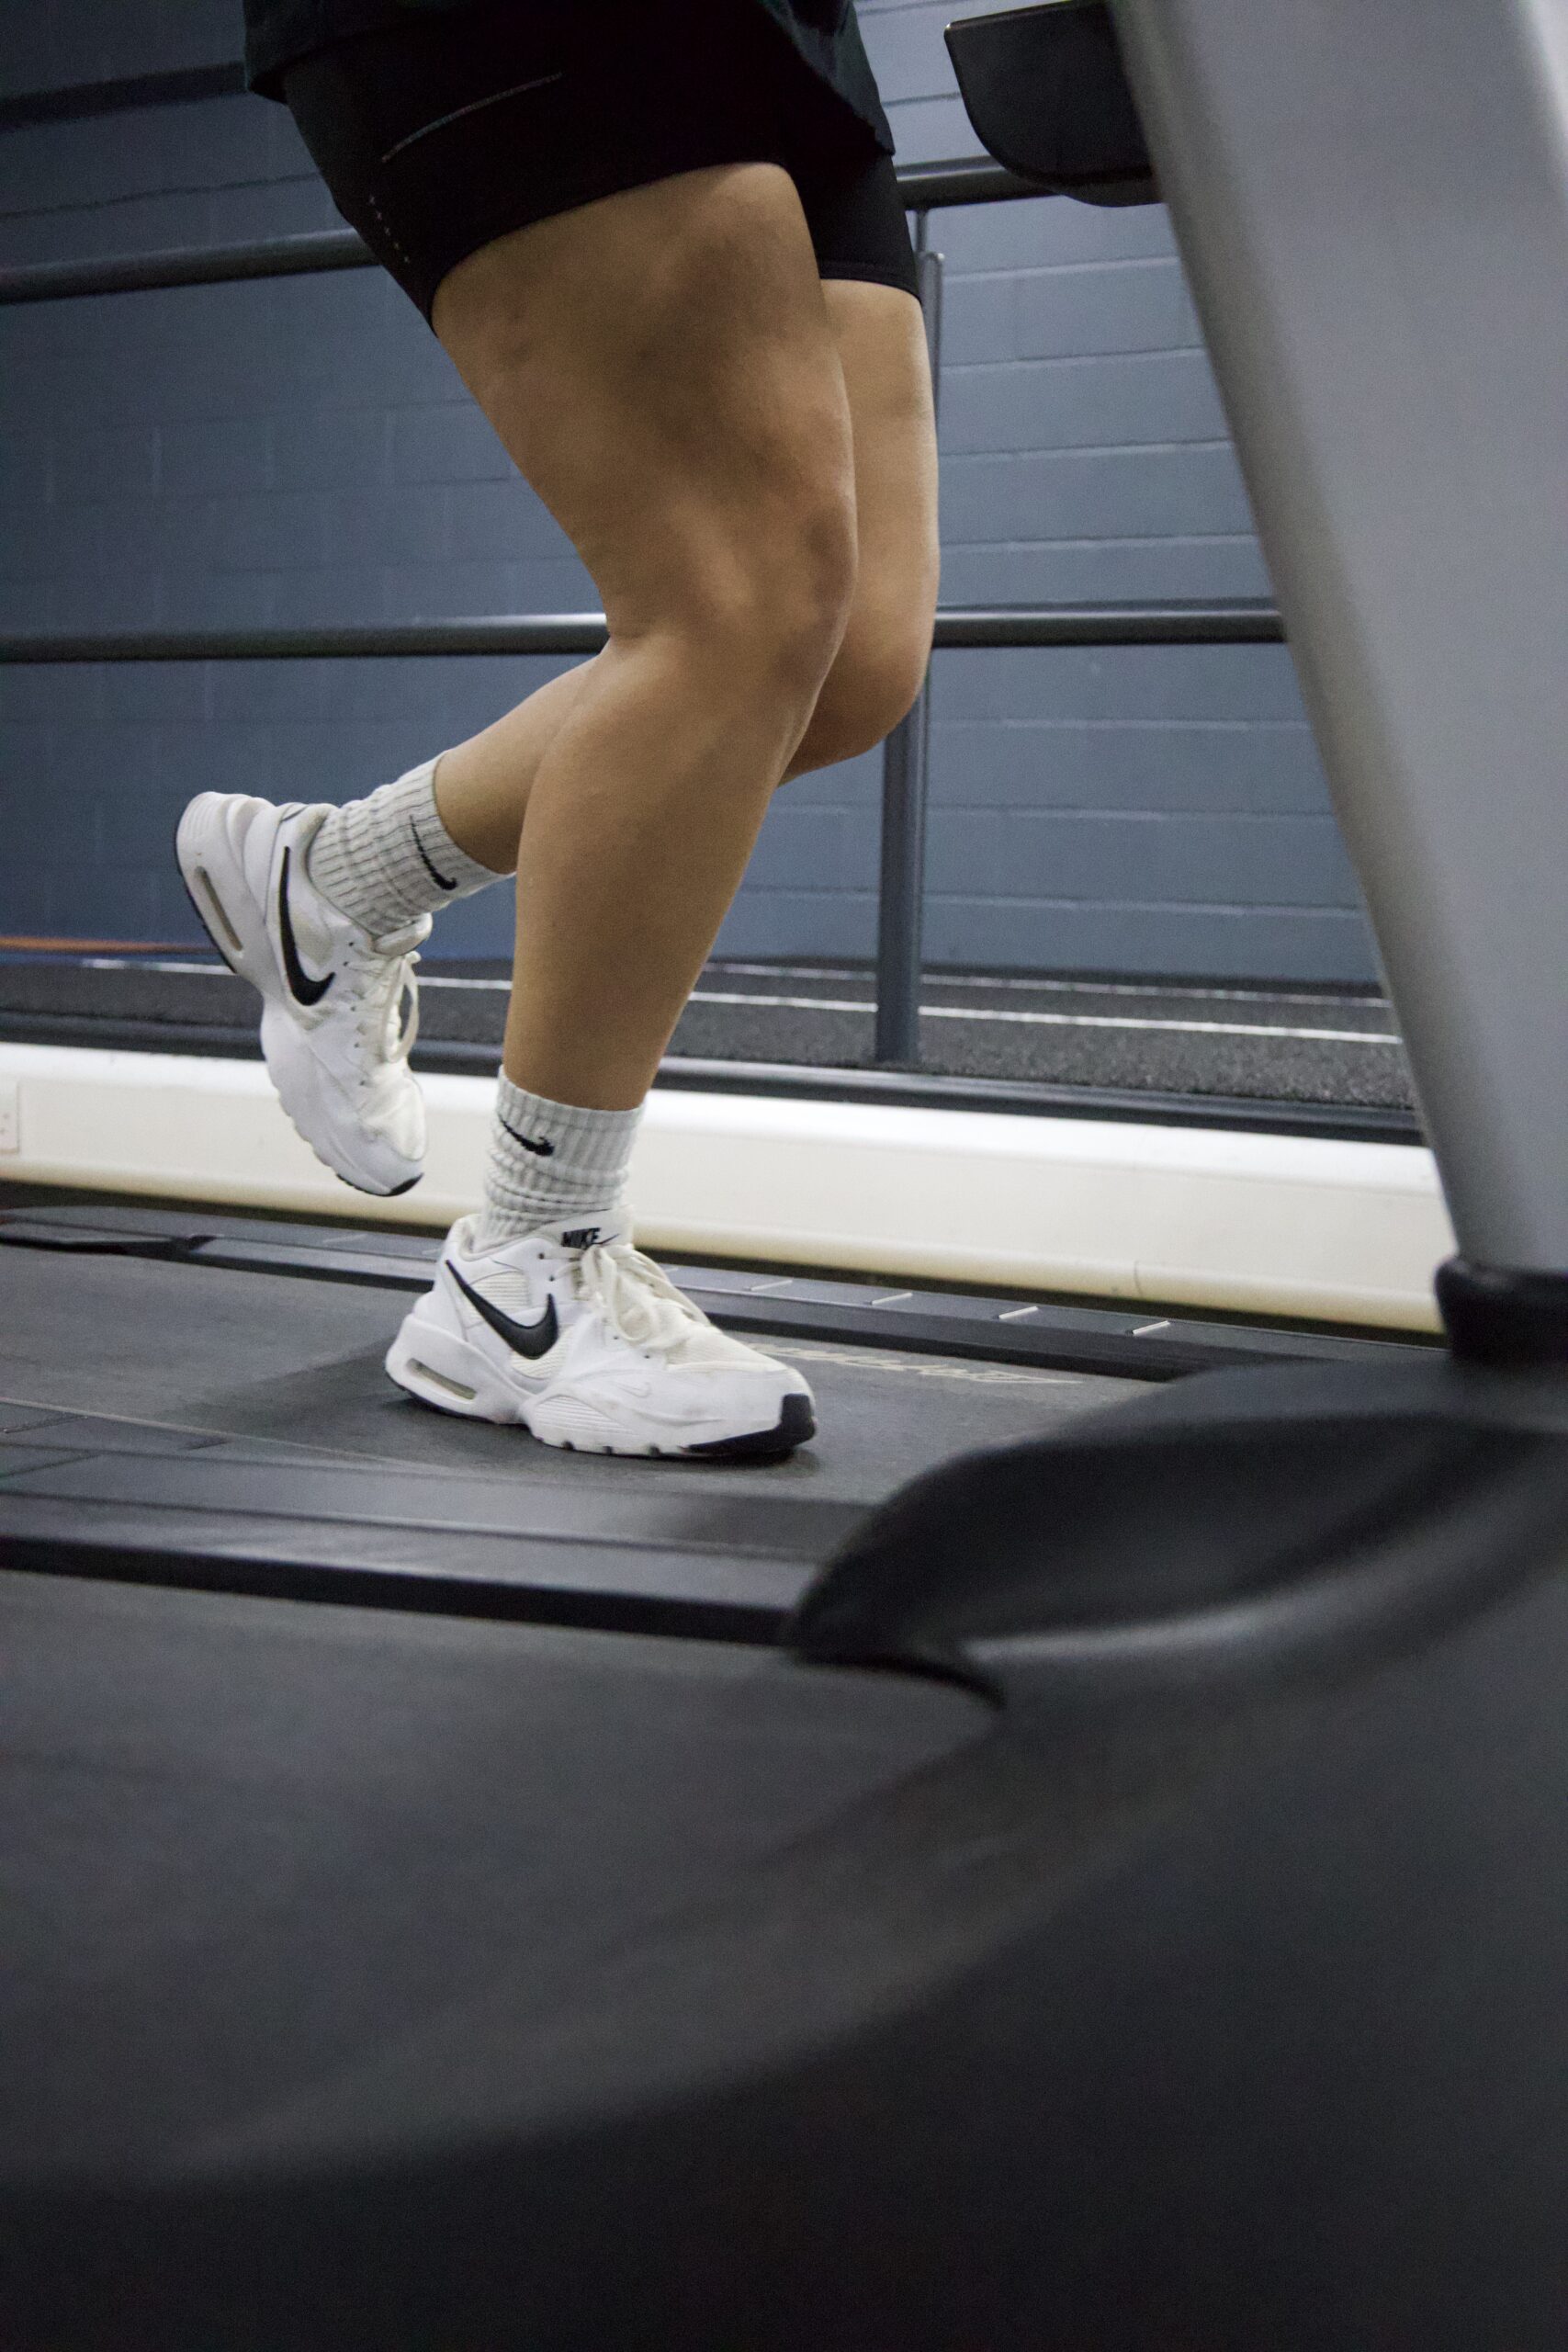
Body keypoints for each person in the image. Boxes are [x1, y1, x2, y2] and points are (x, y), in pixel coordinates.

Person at [178, 0, 939, 1459]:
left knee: (848, 656)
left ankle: (340, 881)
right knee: (737, 596)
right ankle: (526, 1264)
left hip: (800, 38)